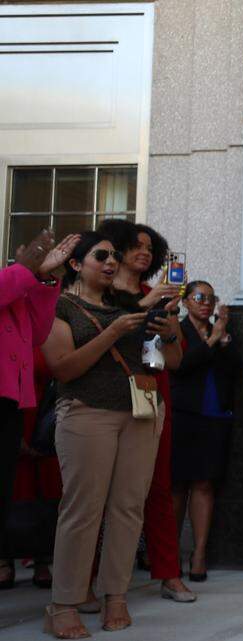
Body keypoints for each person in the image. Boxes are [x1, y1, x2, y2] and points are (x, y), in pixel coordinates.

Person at [40, 231, 182, 638]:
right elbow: (63, 368)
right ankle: (63, 603)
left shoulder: (133, 306)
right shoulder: (61, 305)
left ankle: (115, 597)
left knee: (128, 509)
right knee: (83, 510)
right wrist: (114, 331)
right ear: (76, 264)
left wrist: (168, 327)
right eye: (100, 255)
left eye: (113, 256)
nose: (110, 261)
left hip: (140, 413)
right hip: (87, 414)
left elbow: (169, 361)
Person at [98, 220, 196, 603]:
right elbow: (100, 331)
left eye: (150, 248)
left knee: (158, 487)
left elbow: (174, 360)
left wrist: (170, 325)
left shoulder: (157, 297)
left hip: (151, 393)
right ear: (116, 248)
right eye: (136, 246)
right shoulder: (97, 292)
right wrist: (149, 300)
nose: (145, 253)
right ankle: (85, 580)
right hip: (101, 398)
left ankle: (169, 574)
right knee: (94, 494)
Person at [0, 230, 75, 589]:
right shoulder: (12, 278)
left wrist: (43, 278)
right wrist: (26, 270)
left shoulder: (15, 280)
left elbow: (39, 328)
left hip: (10, 403)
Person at [170, 281, 239, 582]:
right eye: (199, 297)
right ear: (186, 302)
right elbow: (181, 366)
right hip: (183, 415)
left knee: (204, 484)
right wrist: (212, 339)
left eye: (211, 298)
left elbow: (236, 371)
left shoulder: (219, 332)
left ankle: (199, 553)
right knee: (176, 486)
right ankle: (170, 554)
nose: (206, 303)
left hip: (214, 416)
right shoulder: (176, 328)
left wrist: (223, 343)